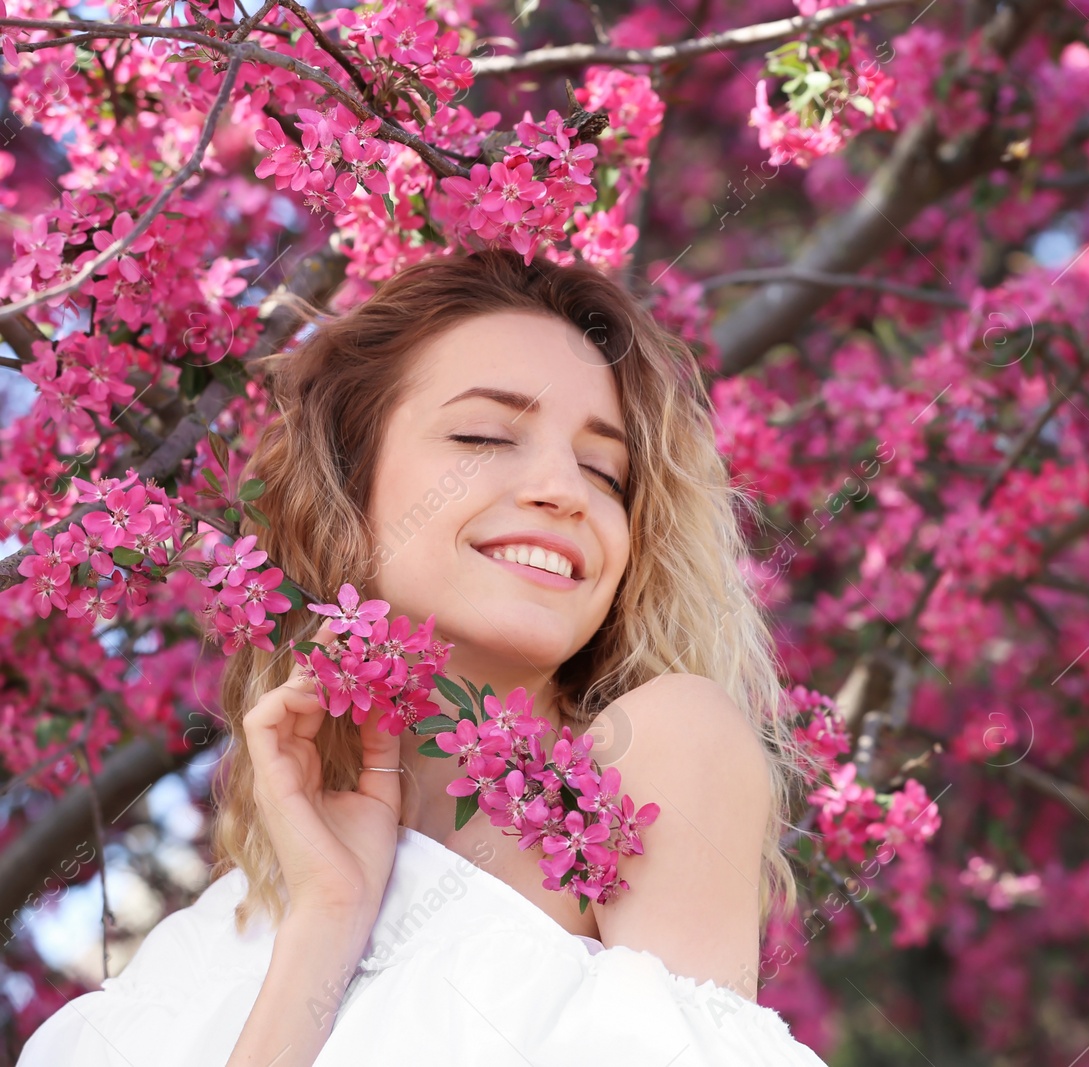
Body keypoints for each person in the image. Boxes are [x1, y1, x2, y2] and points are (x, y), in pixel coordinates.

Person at [18, 248, 829, 1066]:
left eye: (604, 469)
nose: (565, 489)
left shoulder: (657, 751)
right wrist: (326, 924)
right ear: (347, 486)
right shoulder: (187, 969)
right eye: (483, 435)